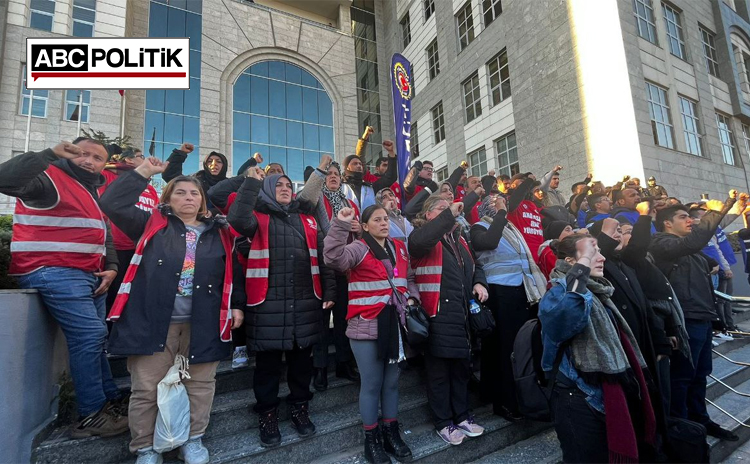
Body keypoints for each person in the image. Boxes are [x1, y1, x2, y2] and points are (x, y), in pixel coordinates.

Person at [100, 158, 244, 464]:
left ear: (203, 201)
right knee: (146, 389)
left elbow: (232, 270)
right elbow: (111, 201)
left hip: (204, 322)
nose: (188, 197)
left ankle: (192, 439)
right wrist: (143, 173)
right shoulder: (150, 223)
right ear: (167, 198)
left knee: (201, 385)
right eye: (180, 193)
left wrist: (237, 305)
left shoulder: (219, 231)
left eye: (194, 193)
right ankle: (146, 447)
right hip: (153, 321)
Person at [0, 139, 125, 437]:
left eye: (97, 157)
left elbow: (102, 233)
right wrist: (47, 155)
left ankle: (109, 399)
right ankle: (91, 414)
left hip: (88, 274)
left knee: (96, 337)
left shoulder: (89, 190)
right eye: (83, 153)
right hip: (53, 270)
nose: (89, 160)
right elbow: (5, 179)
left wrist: (112, 267)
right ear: (68, 152)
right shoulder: (49, 178)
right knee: (90, 335)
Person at [227, 168, 336, 447]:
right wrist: (252, 182)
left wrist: (330, 290)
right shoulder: (257, 219)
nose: (285, 188)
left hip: (305, 303)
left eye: (289, 185)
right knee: (267, 367)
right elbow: (237, 218)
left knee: (302, 365)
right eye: (278, 185)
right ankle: (268, 415)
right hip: (267, 305)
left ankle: (300, 409)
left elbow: (323, 259)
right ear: (266, 190)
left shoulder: (309, 221)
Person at [540, 234, 657, 463]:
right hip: (579, 398)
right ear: (573, 262)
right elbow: (568, 310)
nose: (602, 258)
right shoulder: (557, 292)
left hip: (604, 395)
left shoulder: (599, 292)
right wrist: (585, 259)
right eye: (594, 253)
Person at [324, 205, 417, 463]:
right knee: (372, 384)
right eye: (377, 220)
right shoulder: (358, 248)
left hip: (394, 325)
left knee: (391, 383)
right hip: (366, 326)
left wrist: (411, 299)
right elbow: (332, 258)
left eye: (386, 219)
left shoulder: (399, 248)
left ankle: (391, 433)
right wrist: (341, 225)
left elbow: (408, 278)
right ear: (364, 226)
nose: (384, 223)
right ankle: (372, 440)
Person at [650, 198, 739, 441]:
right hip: (684, 320)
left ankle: (700, 419)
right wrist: (719, 208)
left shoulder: (689, 250)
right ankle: (682, 428)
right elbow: (693, 242)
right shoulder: (660, 243)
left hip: (701, 318)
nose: (690, 220)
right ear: (667, 223)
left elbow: (702, 262)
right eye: (683, 217)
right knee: (682, 377)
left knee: (700, 374)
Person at [409, 195, 488, 446]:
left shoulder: (460, 239)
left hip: (462, 316)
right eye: (441, 208)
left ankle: (462, 417)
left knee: (461, 370)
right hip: (437, 315)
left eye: (449, 208)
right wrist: (449, 213)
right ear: (428, 214)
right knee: (439, 374)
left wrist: (479, 282)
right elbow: (419, 242)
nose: (449, 212)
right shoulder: (421, 236)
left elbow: (477, 267)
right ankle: (444, 423)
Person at [471, 195, 548, 420]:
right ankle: (504, 402)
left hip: (522, 292)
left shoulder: (512, 228)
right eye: (497, 202)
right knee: (503, 349)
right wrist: (502, 214)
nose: (502, 204)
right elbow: (489, 242)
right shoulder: (478, 226)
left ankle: (521, 398)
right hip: (498, 294)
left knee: (520, 348)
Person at [311, 160, 361, 390]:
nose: (333, 177)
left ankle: (343, 362)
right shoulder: (315, 199)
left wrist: (359, 229)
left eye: (336, 174)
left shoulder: (350, 203)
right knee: (320, 322)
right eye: (329, 174)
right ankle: (319, 368)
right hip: (319, 266)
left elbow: (362, 232)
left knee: (343, 318)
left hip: (344, 268)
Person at [99, 147, 159, 310]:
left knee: (135, 298)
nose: (145, 159)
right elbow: (104, 204)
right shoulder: (109, 176)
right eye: (141, 156)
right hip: (118, 249)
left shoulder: (150, 188)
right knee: (113, 297)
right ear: (129, 160)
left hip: (140, 248)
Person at [163, 143, 228, 214]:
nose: (214, 164)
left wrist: (213, 212)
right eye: (209, 161)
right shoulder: (195, 181)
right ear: (205, 165)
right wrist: (180, 153)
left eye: (218, 161)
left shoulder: (229, 186)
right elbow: (170, 175)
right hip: (194, 221)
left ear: (224, 165)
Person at [342, 140, 397, 210]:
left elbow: (390, 177)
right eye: (355, 163)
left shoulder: (370, 188)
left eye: (360, 164)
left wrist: (391, 152)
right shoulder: (340, 187)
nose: (359, 166)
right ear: (347, 167)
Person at [505, 177, 545, 257]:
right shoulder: (510, 201)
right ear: (513, 185)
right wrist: (529, 181)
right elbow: (517, 197)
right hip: (523, 252)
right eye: (522, 182)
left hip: (540, 252)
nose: (528, 185)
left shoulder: (533, 205)